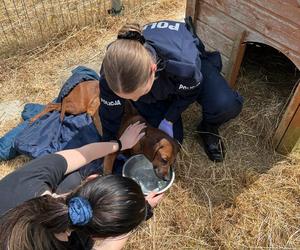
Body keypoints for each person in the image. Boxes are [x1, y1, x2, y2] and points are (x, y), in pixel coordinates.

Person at [0, 121, 164, 250]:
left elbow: (84, 153)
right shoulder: (76, 245)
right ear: (96, 238)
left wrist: (119, 144)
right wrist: (142, 211)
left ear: (91, 179)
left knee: (72, 177)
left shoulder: (30, 179)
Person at [99, 19, 244, 162]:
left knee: (226, 105)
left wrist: (169, 118)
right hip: (157, 84)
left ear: (153, 70)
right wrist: (112, 147)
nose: (135, 100)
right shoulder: (112, 73)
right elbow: (109, 114)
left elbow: (192, 91)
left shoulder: (184, 66)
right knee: (175, 140)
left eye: (139, 94)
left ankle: (208, 127)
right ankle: (155, 101)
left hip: (187, 65)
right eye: (129, 98)